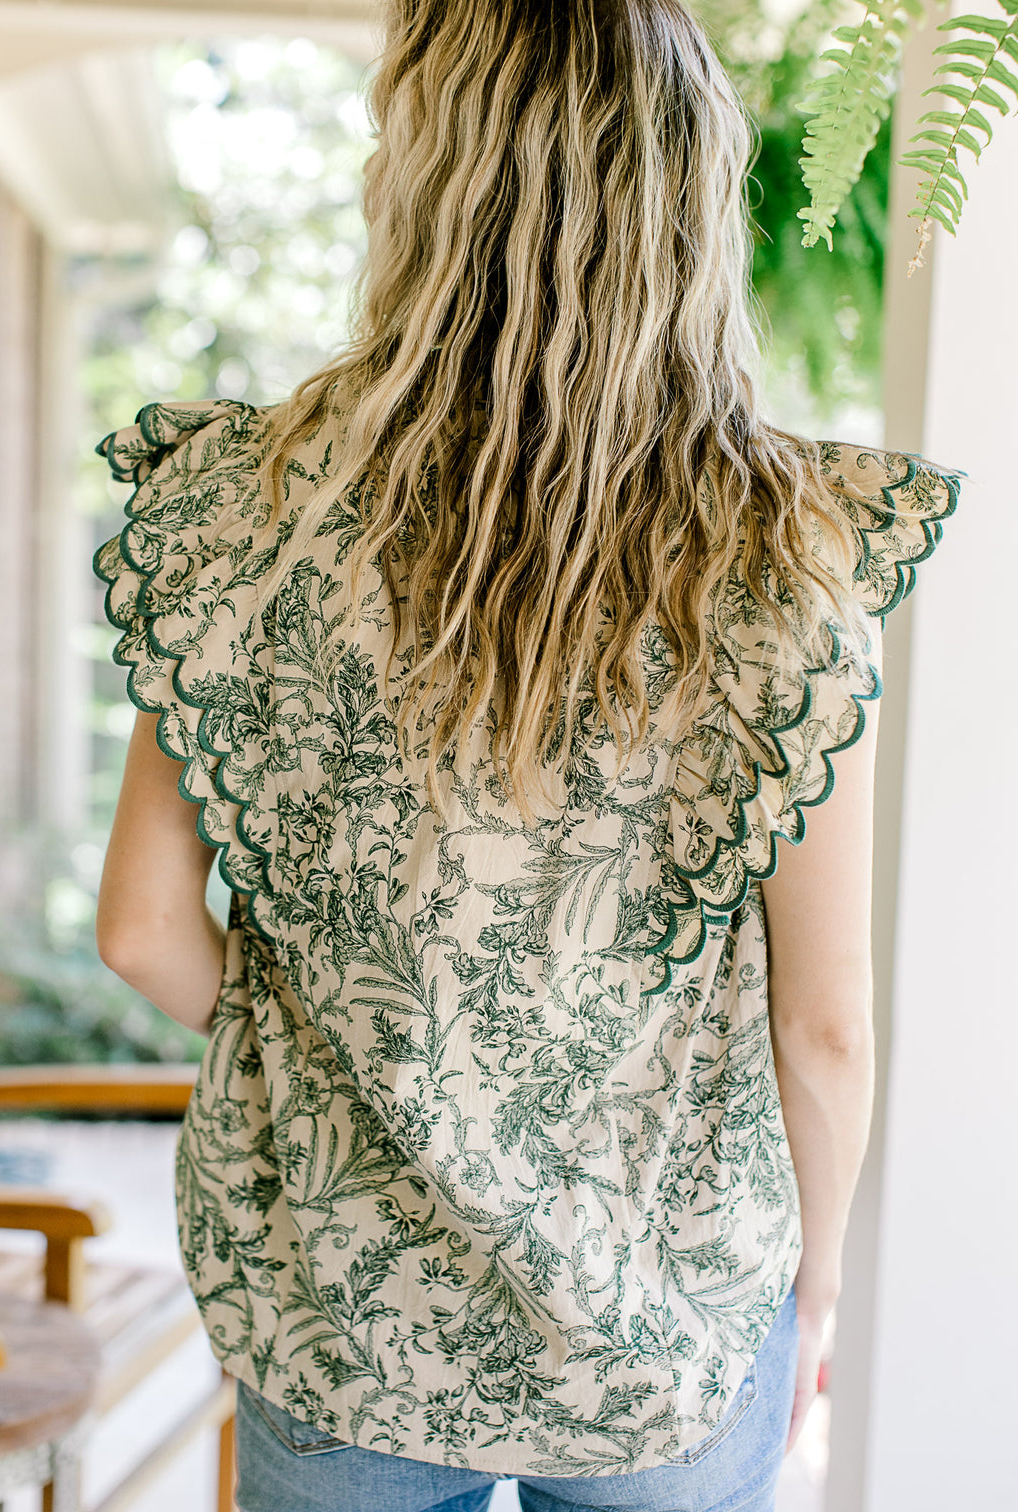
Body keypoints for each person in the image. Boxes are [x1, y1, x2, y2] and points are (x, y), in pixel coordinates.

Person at [92, 2, 961, 1509]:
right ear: (689, 195)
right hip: (665, 1339)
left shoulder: (244, 508)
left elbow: (141, 932)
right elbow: (825, 1027)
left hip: (341, 1319)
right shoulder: (784, 558)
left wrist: (348, 1054)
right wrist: (811, 1293)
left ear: (417, 177)